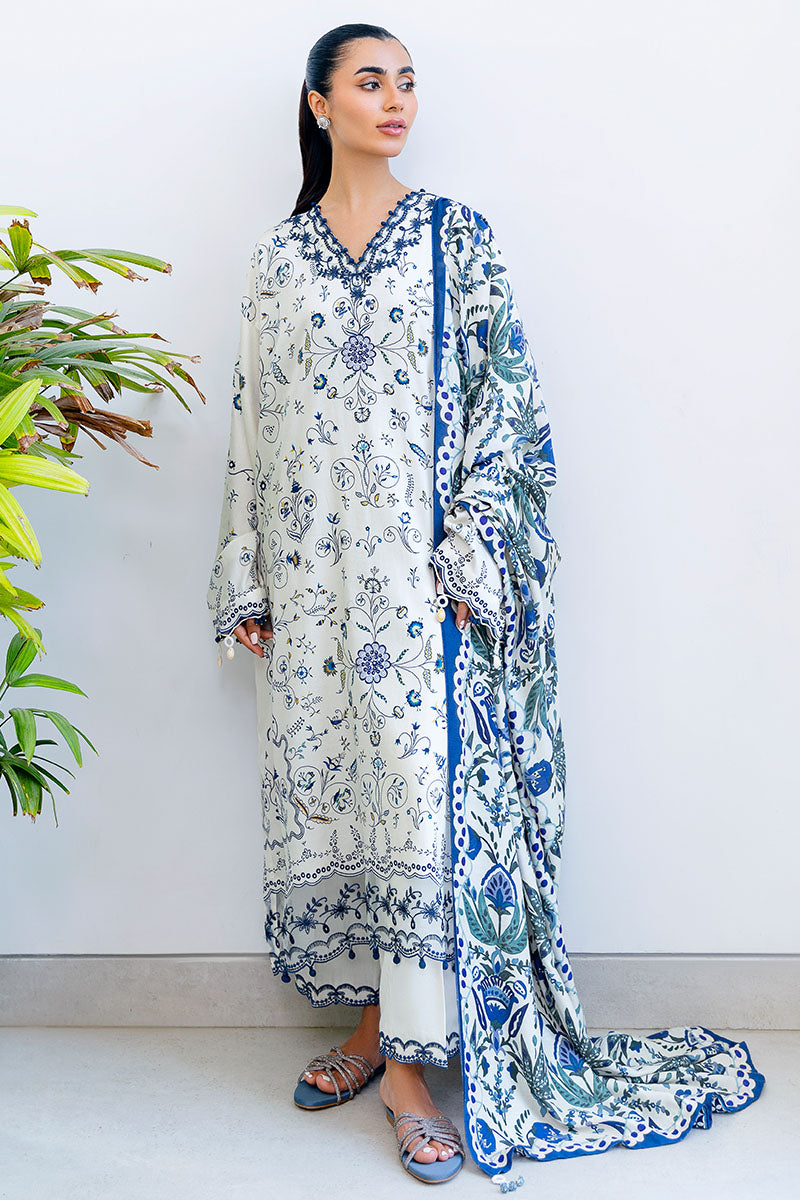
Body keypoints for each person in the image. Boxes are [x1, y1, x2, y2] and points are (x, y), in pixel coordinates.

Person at [207, 22, 764, 1186]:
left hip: (424, 594)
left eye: (407, 83)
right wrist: (243, 570)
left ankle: (409, 1075)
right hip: (313, 596)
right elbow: (252, 420)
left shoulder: (456, 238)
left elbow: (506, 403)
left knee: (419, 817)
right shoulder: (275, 260)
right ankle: (372, 1027)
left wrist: (468, 556)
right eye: (370, 82)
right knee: (340, 807)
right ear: (317, 105)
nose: (395, 101)